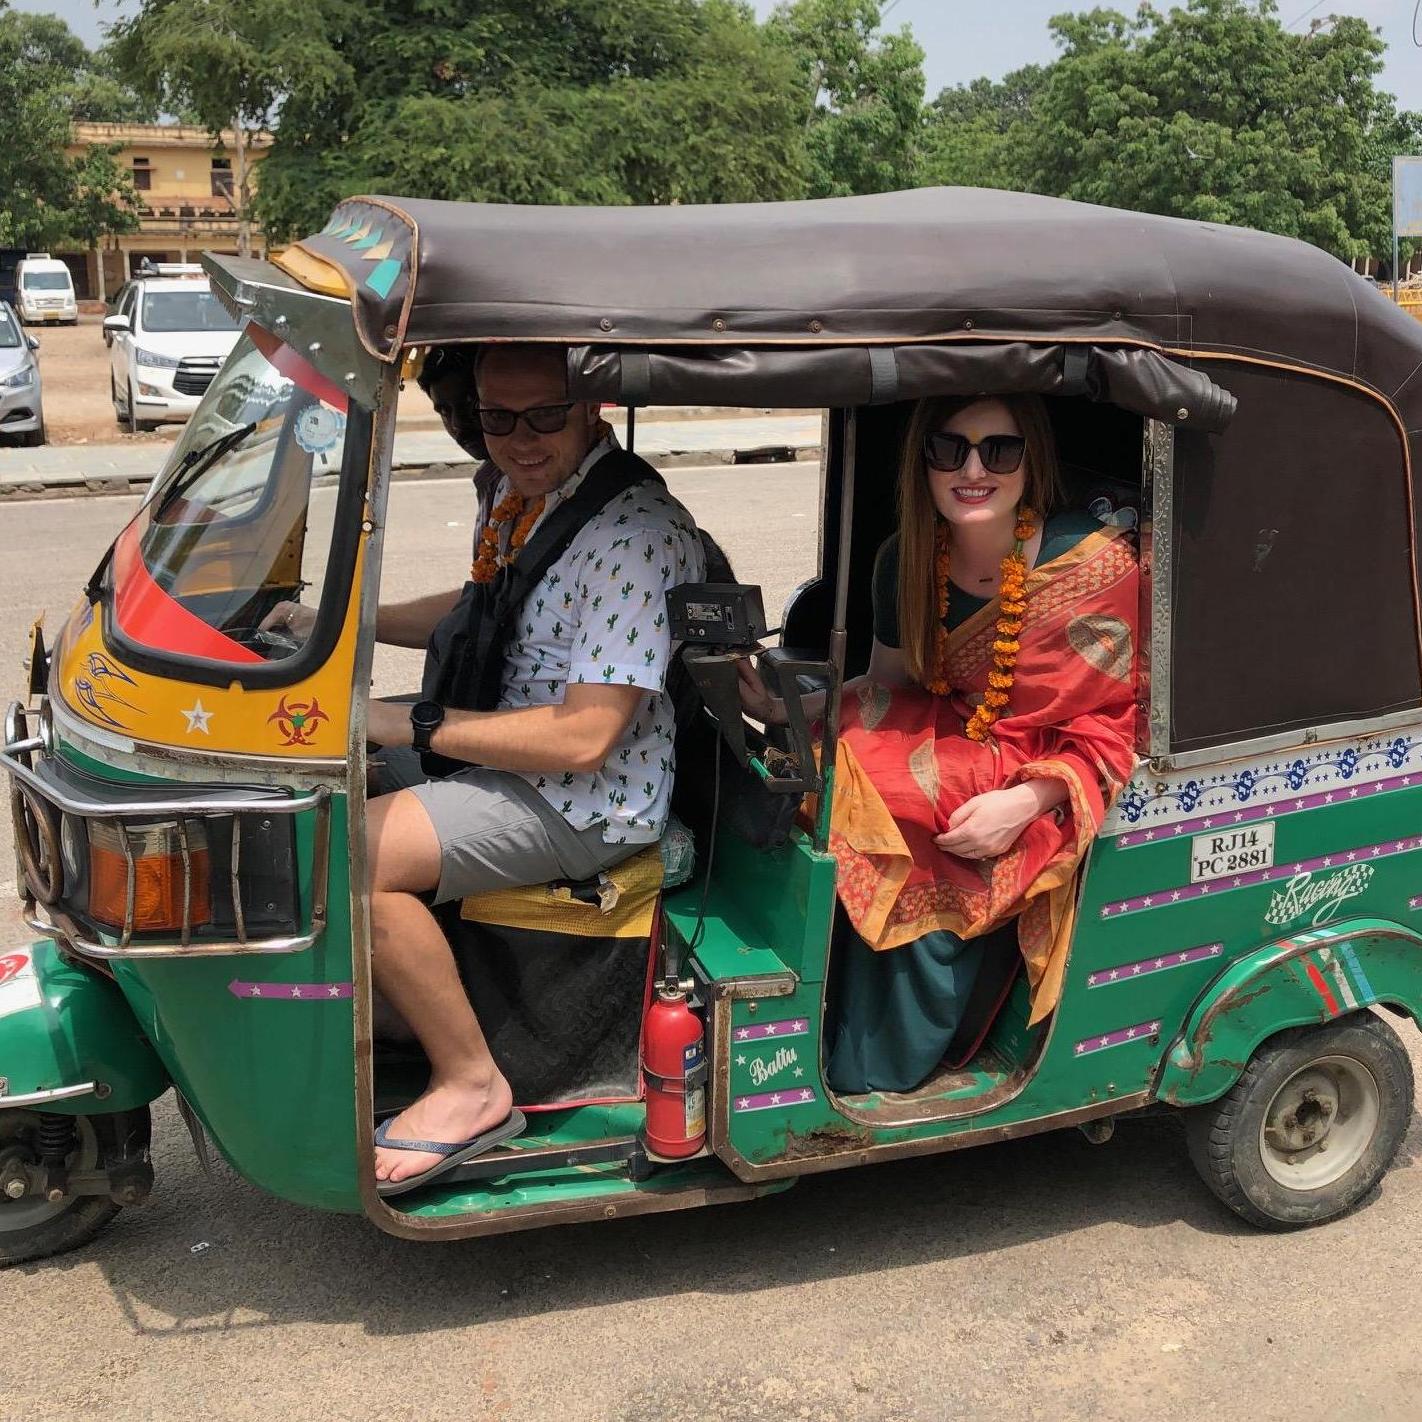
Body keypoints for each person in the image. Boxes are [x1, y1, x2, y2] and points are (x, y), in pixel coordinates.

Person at [266, 343, 705, 1191]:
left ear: (592, 408)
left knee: (352, 853)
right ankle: (405, 1006)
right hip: (507, 752)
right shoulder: (524, 495)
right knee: (308, 793)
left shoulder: (632, 536)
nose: (520, 440)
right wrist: (337, 626)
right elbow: (481, 606)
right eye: (497, 419)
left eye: (545, 416)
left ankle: (472, 1084)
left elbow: (585, 739)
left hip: (586, 800)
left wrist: (407, 723)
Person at [740, 393, 1138, 1094]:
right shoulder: (907, 558)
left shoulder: (1093, 564)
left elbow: (1121, 718)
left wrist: (1026, 803)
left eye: (1000, 451)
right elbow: (887, 682)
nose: (973, 470)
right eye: (949, 450)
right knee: (829, 765)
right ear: (922, 462)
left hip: (1051, 754)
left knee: (907, 807)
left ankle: (891, 1055)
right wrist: (781, 709)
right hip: (952, 726)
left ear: (1032, 460)